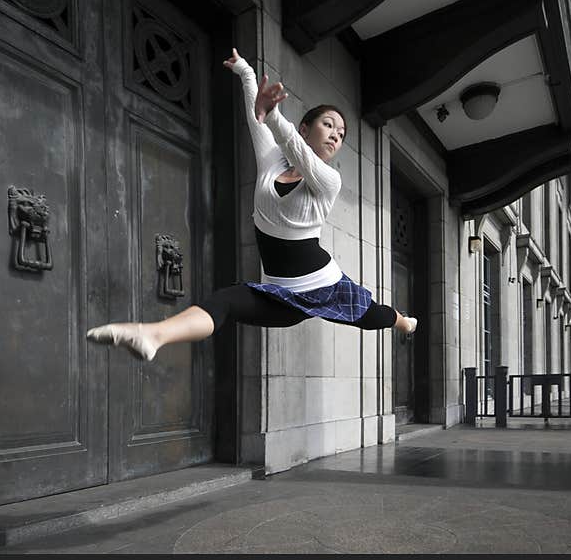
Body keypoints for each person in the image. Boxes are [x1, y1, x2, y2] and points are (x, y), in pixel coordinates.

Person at [87, 48, 417, 361]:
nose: (335, 135)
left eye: (341, 133)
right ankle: (153, 335)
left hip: (323, 284)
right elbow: (255, 118)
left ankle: (404, 322)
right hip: (282, 293)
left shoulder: (329, 181)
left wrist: (272, 114)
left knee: (372, 313)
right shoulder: (272, 160)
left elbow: (291, 144)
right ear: (306, 127)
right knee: (224, 302)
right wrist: (245, 72)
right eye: (328, 124)